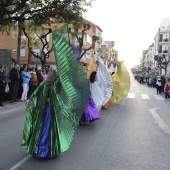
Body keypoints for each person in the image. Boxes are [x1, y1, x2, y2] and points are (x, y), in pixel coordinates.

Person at [21, 24, 90, 158]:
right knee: (51, 130)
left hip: (44, 110)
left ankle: (39, 149)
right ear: (56, 77)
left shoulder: (43, 85)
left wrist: (29, 102)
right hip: (53, 111)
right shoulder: (57, 85)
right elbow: (67, 90)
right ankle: (48, 150)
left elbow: (34, 96)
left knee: (42, 129)